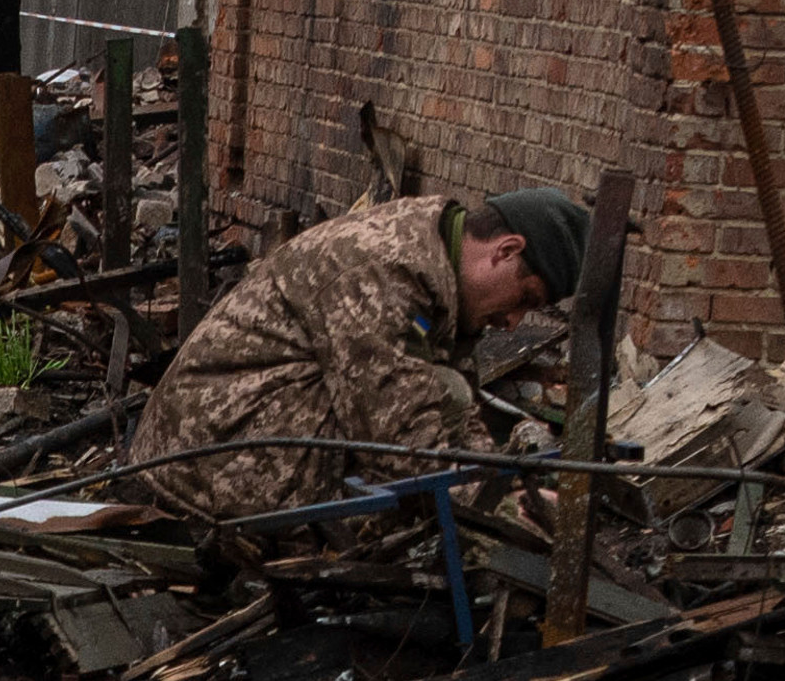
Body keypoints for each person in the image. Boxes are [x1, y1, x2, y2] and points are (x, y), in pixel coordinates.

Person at [128, 183, 601, 533]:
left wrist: (498, 482)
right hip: (204, 465)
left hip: (233, 437)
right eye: (525, 298)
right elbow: (397, 439)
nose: (514, 322)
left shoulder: (437, 261)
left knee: (445, 392)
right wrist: (500, 510)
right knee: (401, 480)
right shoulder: (383, 271)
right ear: (505, 251)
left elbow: (452, 405)